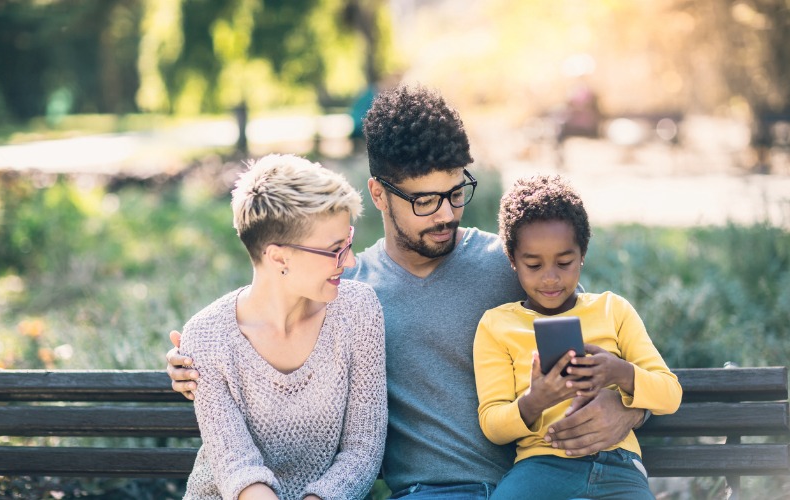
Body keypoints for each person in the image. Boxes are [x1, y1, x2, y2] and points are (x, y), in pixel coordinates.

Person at [167, 85, 648, 499]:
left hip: (524, 483)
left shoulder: (512, 266)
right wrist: (193, 364)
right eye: (424, 201)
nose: (446, 214)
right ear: (378, 195)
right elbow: (273, 293)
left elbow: (610, 348)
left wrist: (630, 408)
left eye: (456, 193)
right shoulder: (347, 291)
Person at [178, 154, 387, 500]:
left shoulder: (358, 311)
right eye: (336, 249)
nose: (349, 261)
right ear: (278, 258)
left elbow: (362, 450)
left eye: (347, 241)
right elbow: (237, 467)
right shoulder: (206, 337)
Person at [474, 175, 682, 499]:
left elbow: (670, 393)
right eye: (533, 264)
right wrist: (535, 401)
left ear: (582, 253)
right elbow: (492, 423)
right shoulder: (497, 326)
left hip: (619, 465)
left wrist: (619, 372)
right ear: (513, 260)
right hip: (541, 467)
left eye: (564, 262)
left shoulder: (614, 310)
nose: (550, 277)